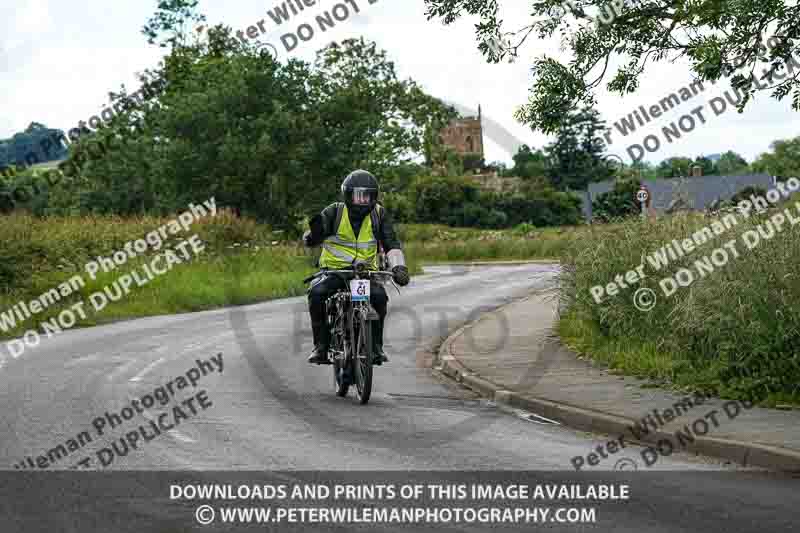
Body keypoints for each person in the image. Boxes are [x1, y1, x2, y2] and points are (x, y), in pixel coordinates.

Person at [303, 169, 410, 365]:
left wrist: (399, 267)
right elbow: (312, 239)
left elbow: (391, 244)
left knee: (379, 297)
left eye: (366, 196)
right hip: (335, 272)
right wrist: (314, 235)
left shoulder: (379, 214)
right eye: (357, 196)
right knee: (317, 294)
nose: (362, 201)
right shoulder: (334, 211)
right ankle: (321, 347)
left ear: (374, 196)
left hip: (364, 274)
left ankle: (376, 347)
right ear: (347, 195)